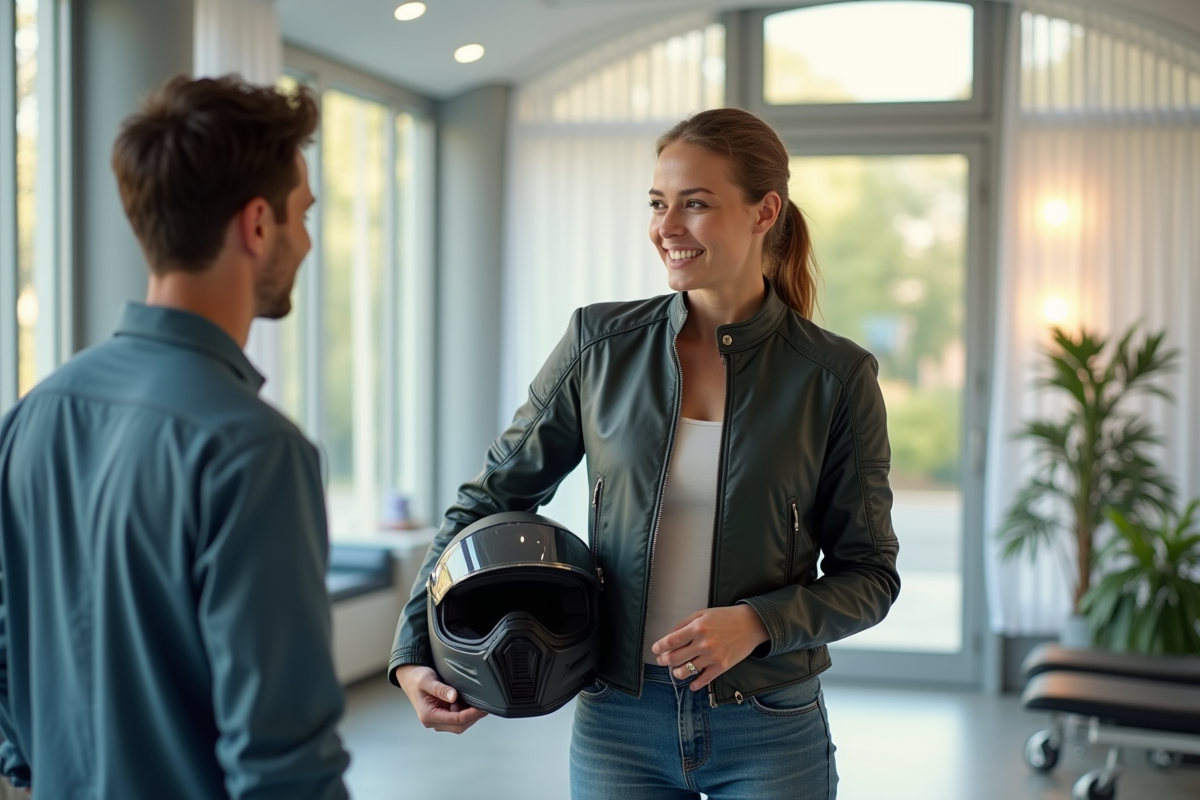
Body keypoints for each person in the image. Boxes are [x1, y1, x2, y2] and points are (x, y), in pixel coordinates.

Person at [389, 107, 901, 799]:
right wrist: (413, 651)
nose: (666, 227)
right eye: (659, 203)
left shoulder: (835, 377)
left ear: (763, 211)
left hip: (769, 721)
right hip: (618, 720)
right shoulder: (598, 347)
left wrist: (757, 622)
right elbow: (490, 499)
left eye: (695, 204)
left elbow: (869, 575)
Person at [0, 75, 350, 799]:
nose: (308, 239)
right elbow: (282, 762)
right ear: (258, 224)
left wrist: (32, 769)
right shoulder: (255, 451)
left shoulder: (32, 415)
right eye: (301, 213)